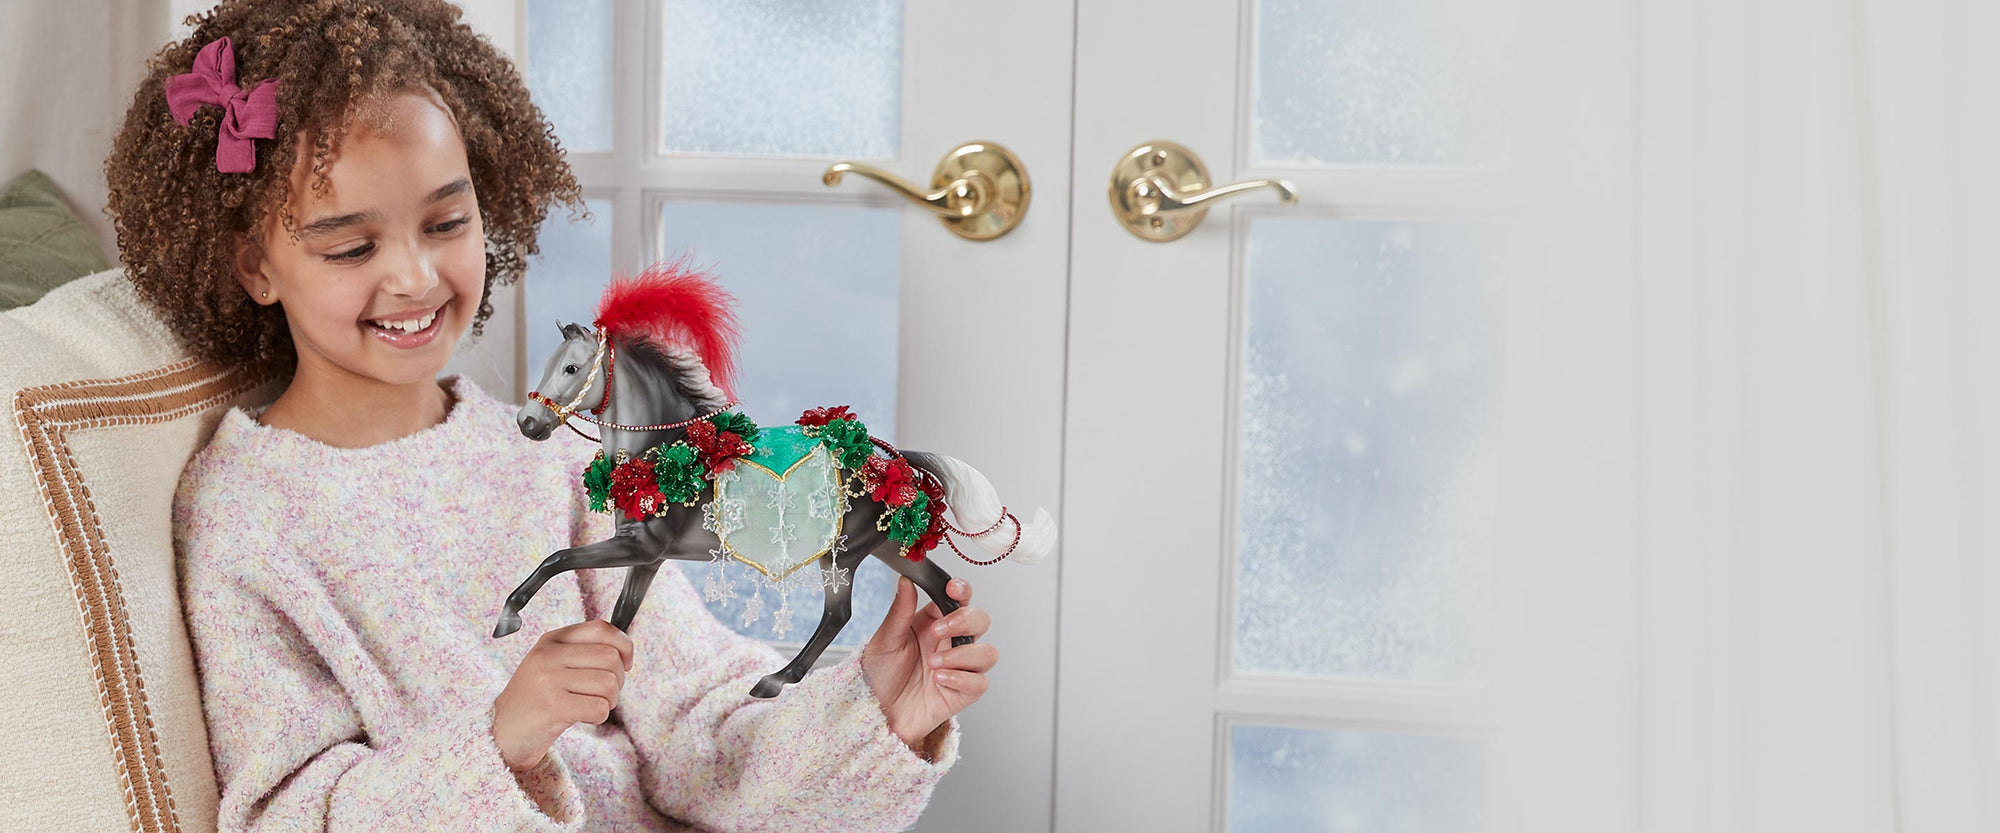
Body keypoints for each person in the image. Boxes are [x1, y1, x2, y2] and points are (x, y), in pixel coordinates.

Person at [105, 2, 995, 830]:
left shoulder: (549, 460)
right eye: (352, 245)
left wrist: (875, 707)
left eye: (447, 223)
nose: (415, 276)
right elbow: (288, 810)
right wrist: (503, 742)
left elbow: (695, 719)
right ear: (255, 266)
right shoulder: (244, 515)